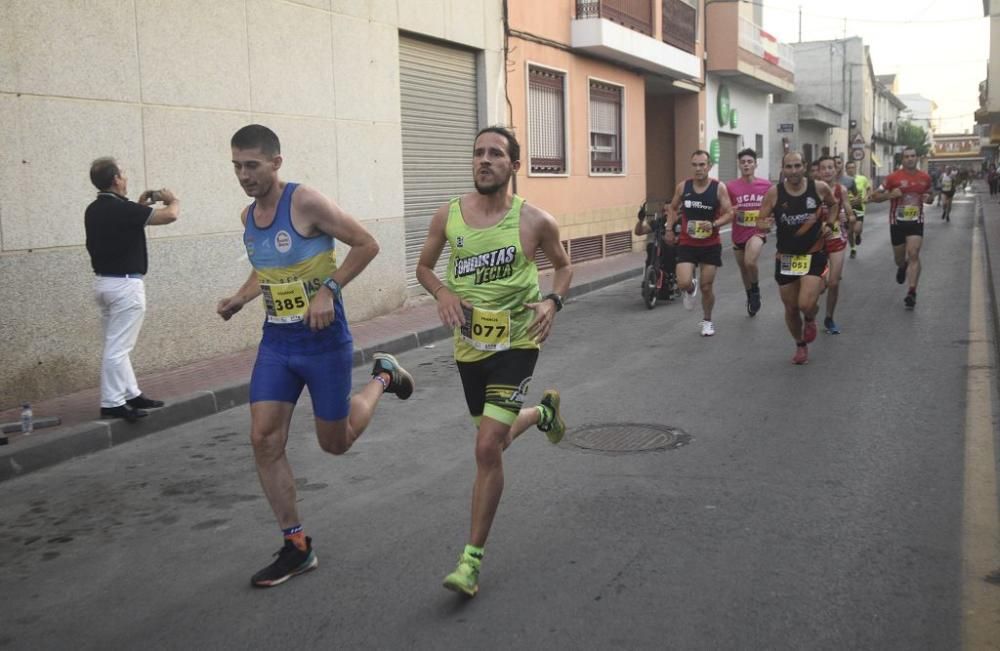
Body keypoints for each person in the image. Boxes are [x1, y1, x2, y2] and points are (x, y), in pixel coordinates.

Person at [216, 124, 414, 588]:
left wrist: (329, 289)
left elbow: (367, 243)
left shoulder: (304, 202)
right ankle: (297, 546)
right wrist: (241, 298)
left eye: (252, 165)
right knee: (264, 440)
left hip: (324, 342)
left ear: (275, 163)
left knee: (336, 442)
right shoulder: (248, 217)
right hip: (278, 343)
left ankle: (383, 376)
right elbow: (265, 270)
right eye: (237, 166)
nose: (244, 175)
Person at [415, 126, 572, 598]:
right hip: (469, 347)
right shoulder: (449, 215)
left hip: (518, 342)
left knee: (486, 448)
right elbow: (423, 267)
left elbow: (563, 267)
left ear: (513, 166)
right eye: (478, 153)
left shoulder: (535, 221)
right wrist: (442, 291)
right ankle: (544, 413)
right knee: (496, 437)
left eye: (496, 154)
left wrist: (552, 302)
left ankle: (470, 562)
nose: (484, 160)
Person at [85, 157, 179, 421]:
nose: (126, 178)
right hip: (125, 285)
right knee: (118, 348)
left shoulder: (94, 209)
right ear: (115, 179)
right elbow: (170, 215)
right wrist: (173, 199)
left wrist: (139, 206)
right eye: (123, 174)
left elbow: (123, 225)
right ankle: (112, 402)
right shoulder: (123, 210)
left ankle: (131, 394)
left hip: (103, 283)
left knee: (116, 343)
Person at [756, 151, 837, 364]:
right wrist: (764, 225)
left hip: (813, 253)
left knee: (805, 304)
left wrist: (829, 224)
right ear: (783, 169)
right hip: (786, 257)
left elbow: (834, 204)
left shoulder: (818, 188)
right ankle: (800, 345)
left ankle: (810, 317)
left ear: (805, 166)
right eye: (789, 167)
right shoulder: (774, 193)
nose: (793, 171)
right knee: (791, 308)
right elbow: (761, 220)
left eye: (797, 166)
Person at [664, 150, 734, 336]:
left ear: (709, 166)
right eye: (695, 165)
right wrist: (669, 228)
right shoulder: (683, 187)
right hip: (688, 242)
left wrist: (713, 224)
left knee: (707, 286)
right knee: (683, 282)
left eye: (702, 164)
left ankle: (707, 320)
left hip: (710, 245)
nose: (698, 168)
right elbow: (672, 208)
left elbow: (729, 213)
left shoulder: (719, 188)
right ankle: (690, 287)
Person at [870, 147, 934, 309]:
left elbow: (930, 195)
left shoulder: (924, 177)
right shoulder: (892, 178)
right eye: (907, 157)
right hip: (897, 223)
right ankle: (902, 266)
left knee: (914, 253)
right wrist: (889, 195)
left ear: (917, 158)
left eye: (913, 156)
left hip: (916, 222)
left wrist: (929, 198)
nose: (910, 159)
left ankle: (911, 292)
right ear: (902, 159)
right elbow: (874, 196)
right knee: (899, 258)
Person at [727, 148, 772, 316]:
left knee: (750, 262)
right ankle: (750, 296)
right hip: (738, 234)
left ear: (755, 164)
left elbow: (773, 206)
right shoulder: (730, 187)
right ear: (739, 165)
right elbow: (725, 208)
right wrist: (731, 210)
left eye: (749, 162)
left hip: (757, 231)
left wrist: (770, 219)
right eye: (743, 162)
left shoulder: (766, 185)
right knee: (744, 269)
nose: (746, 165)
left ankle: (755, 290)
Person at [817, 156, 856, 334]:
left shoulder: (841, 190)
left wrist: (848, 216)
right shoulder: (813, 190)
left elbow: (847, 209)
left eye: (830, 167)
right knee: (820, 286)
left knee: (833, 282)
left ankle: (829, 318)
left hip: (835, 238)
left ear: (836, 170)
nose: (827, 171)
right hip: (815, 241)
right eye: (823, 168)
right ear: (818, 171)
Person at [634, 201, 677, 300]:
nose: (666, 213)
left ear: (675, 211)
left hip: (675, 251)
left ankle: (669, 279)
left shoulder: (680, 222)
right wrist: (641, 220)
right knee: (650, 246)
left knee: (667, 247)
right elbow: (639, 232)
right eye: (664, 211)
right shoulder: (659, 222)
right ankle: (650, 277)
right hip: (659, 252)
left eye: (668, 211)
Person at [845, 160, 871, 259]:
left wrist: (867, 197)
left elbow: (868, 188)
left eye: (853, 167)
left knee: (857, 229)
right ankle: (853, 249)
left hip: (859, 207)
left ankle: (858, 235)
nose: (851, 170)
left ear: (855, 169)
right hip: (848, 207)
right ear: (846, 169)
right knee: (849, 231)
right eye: (849, 168)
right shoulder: (844, 180)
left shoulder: (862, 179)